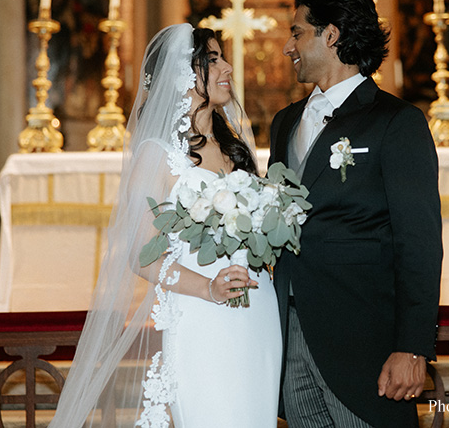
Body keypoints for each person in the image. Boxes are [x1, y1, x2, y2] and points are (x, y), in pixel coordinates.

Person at [49, 23, 281, 428]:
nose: (228, 68)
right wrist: (208, 287)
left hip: (258, 313)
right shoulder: (157, 155)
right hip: (203, 315)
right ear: (181, 74)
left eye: (222, 57)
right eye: (212, 60)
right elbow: (139, 256)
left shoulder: (236, 150)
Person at [269, 0, 443, 427]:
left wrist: (413, 346)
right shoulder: (284, 122)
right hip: (290, 333)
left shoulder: (395, 121)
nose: (288, 46)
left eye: (297, 32)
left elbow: (419, 242)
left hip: (364, 337)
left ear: (330, 35)